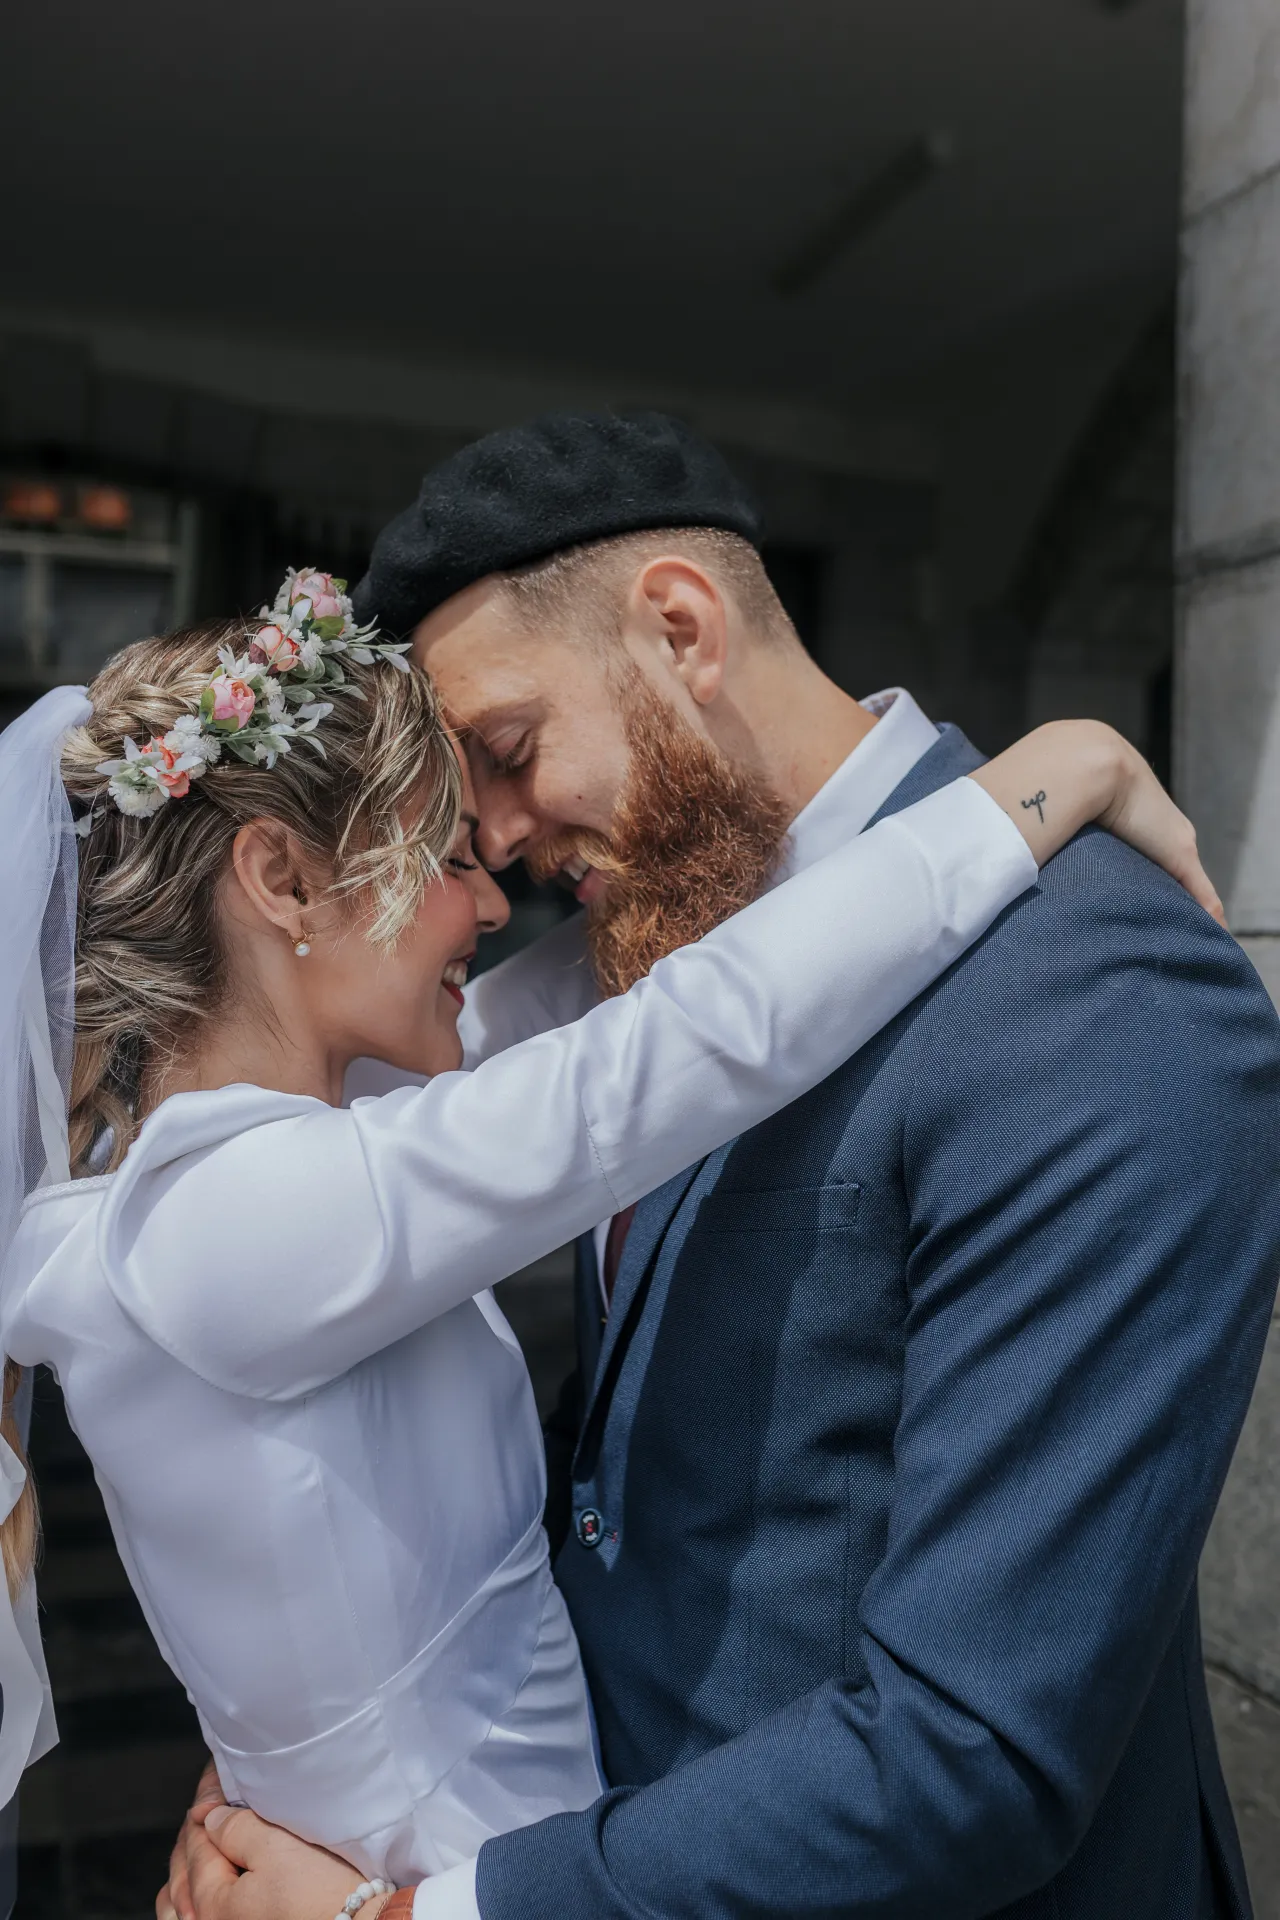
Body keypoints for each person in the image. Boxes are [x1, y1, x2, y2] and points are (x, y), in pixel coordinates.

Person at [171, 414, 1280, 1920]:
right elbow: (622, 1501)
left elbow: (971, 1752)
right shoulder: (649, 953)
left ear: (681, 628)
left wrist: (418, 1919)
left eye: (504, 755)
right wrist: (329, 1779)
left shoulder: (1093, 988)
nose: (490, 846)